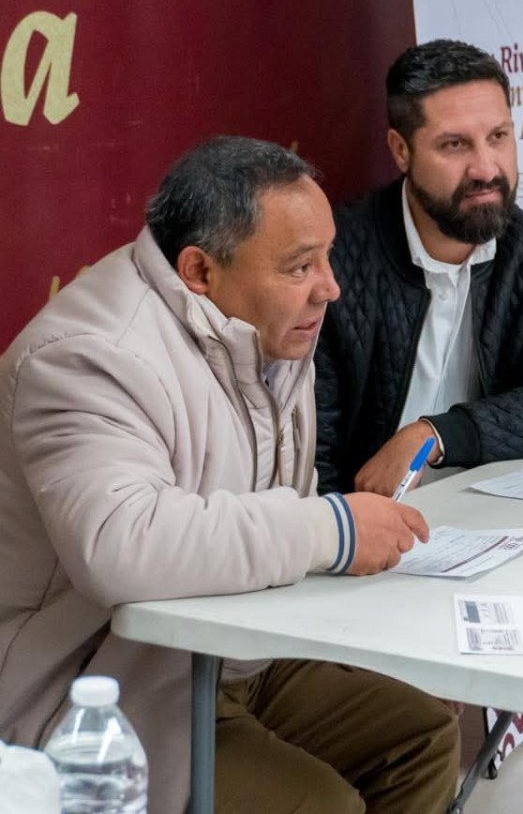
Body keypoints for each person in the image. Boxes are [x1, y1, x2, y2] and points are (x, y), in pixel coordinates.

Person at [0, 137, 461, 813]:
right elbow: (121, 546)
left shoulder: (265, 326)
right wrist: (330, 529)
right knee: (321, 805)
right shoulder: (85, 357)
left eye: (326, 257)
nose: (329, 287)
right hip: (98, 697)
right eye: (301, 266)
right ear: (198, 270)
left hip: (229, 658)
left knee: (421, 737)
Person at [313, 39, 523, 813]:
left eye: (499, 136)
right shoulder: (339, 257)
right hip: (367, 546)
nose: (487, 167)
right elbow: (318, 455)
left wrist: (437, 431)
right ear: (400, 149)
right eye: (455, 145)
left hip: (487, 531)